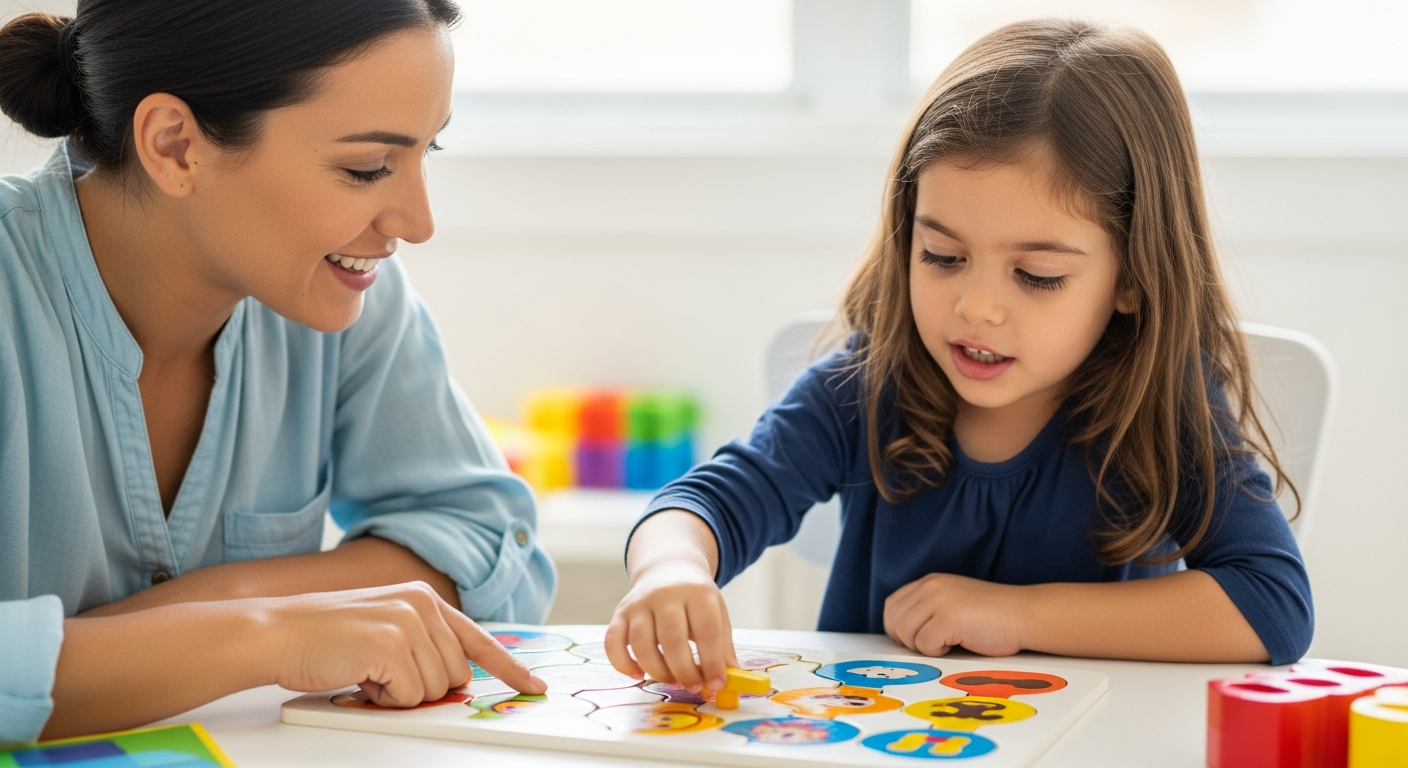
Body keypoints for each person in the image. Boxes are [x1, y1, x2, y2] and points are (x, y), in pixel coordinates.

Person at [605, 19, 1314, 696]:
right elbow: (708, 502)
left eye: (1036, 274)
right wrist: (670, 569)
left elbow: (1273, 604)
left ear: (1132, 276)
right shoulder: (866, 386)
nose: (977, 307)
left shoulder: (1163, 405)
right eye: (942, 255)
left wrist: (1018, 615)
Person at [0, 0, 553, 745]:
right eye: (367, 168)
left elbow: (488, 544)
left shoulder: (344, 292)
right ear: (174, 145)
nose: (417, 222)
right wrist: (263, 634)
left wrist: (228, 596)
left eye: (429, 154)